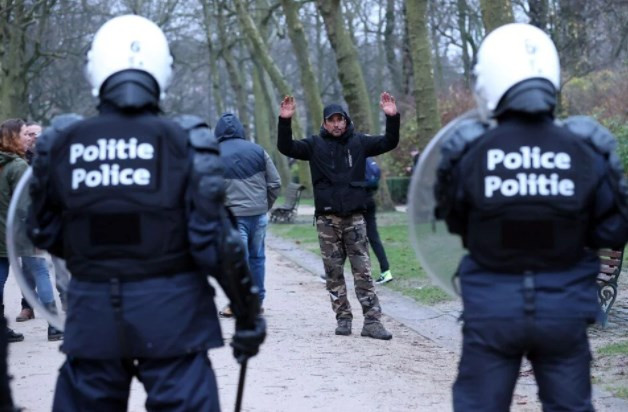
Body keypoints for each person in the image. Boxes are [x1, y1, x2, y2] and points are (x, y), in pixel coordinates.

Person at [25, 15, 265, 411]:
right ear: (163, 69)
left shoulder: (63, 142)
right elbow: (217, 244)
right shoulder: (186, 140)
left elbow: (41, 229)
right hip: (176, 317)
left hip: (93, 317)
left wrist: (96, 250)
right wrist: (248, 315)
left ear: (95, 68)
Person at [433, 23, 628, 411]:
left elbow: (455, 222)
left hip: (491, 308)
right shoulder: (584, 149)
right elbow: (613, 228)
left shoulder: (472, 151)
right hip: (565, 309)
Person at [277, 93, 400, 340]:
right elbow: (286, 147)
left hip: (355, 218)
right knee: (333, 273)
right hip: (327, 220)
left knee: (363, 272)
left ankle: (372, 322)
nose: (336, 124)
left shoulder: (360, 142)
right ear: (324, 123)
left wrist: (392, 117)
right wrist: (285, 121)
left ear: (346, 121)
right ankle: (343, 319)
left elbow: (389, 142)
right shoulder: (313, 145)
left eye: (339, 120)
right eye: (331, 120)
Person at [215, 113, 281, 318]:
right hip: (258, 214)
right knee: (257, 258)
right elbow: (275, 183)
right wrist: (264, 205)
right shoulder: (258, 151)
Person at [14, 121, 64, 341]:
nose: (32, 137)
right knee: (33, 269)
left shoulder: (54, 158)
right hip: (30, 222)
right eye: (28, 133)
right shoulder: (21, 161)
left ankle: (65, 302)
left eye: (35, 134)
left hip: (51, 220)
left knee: (57, 265)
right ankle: (31, 307)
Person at [0, 119, 28, 344]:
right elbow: (25, 205)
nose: (28, 139)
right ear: (13, 138)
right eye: (24, 134)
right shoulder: (18, 167)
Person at [364, 157, 393, 284]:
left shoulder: (353, 157)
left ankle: (333, 274)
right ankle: (386, 271)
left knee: (345, 236)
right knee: (374, 237)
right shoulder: (369, 159)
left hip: (357, 202)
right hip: (370, 199)